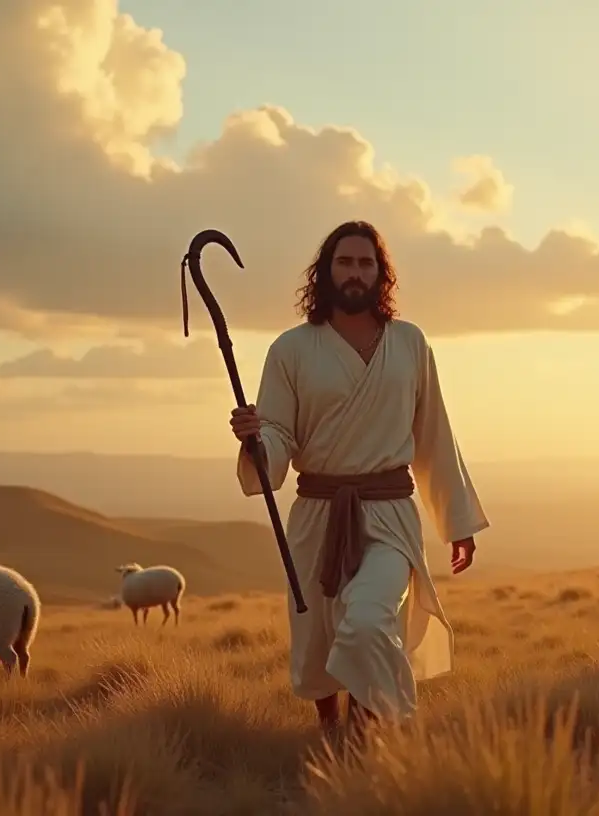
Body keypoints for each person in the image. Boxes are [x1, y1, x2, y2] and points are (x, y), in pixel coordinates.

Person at [227, 220, 488, 739]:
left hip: (389, 513)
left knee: (368, 622)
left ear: (381, 273)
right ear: (326, 273)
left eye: (365, 262)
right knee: (317, 635)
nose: (355, 272)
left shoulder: (410, 343)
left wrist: (457, 520)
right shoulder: (292, 349)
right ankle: (331, 733)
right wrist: (257, 440)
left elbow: (434, 432)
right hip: (318, 511)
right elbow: (280, 434)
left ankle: (379, 728)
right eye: (344, 262)